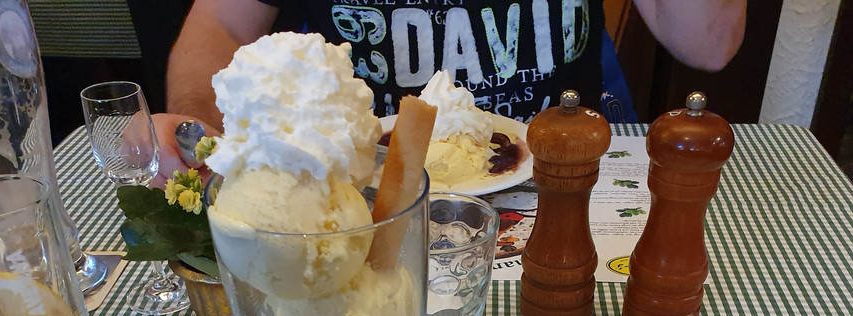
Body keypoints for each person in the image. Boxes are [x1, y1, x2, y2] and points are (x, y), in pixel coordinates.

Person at [154, 0, 745, 183]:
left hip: (567, 180)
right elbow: (222, 24)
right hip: (368, 191)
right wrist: (198, 130)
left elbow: (711, 42)